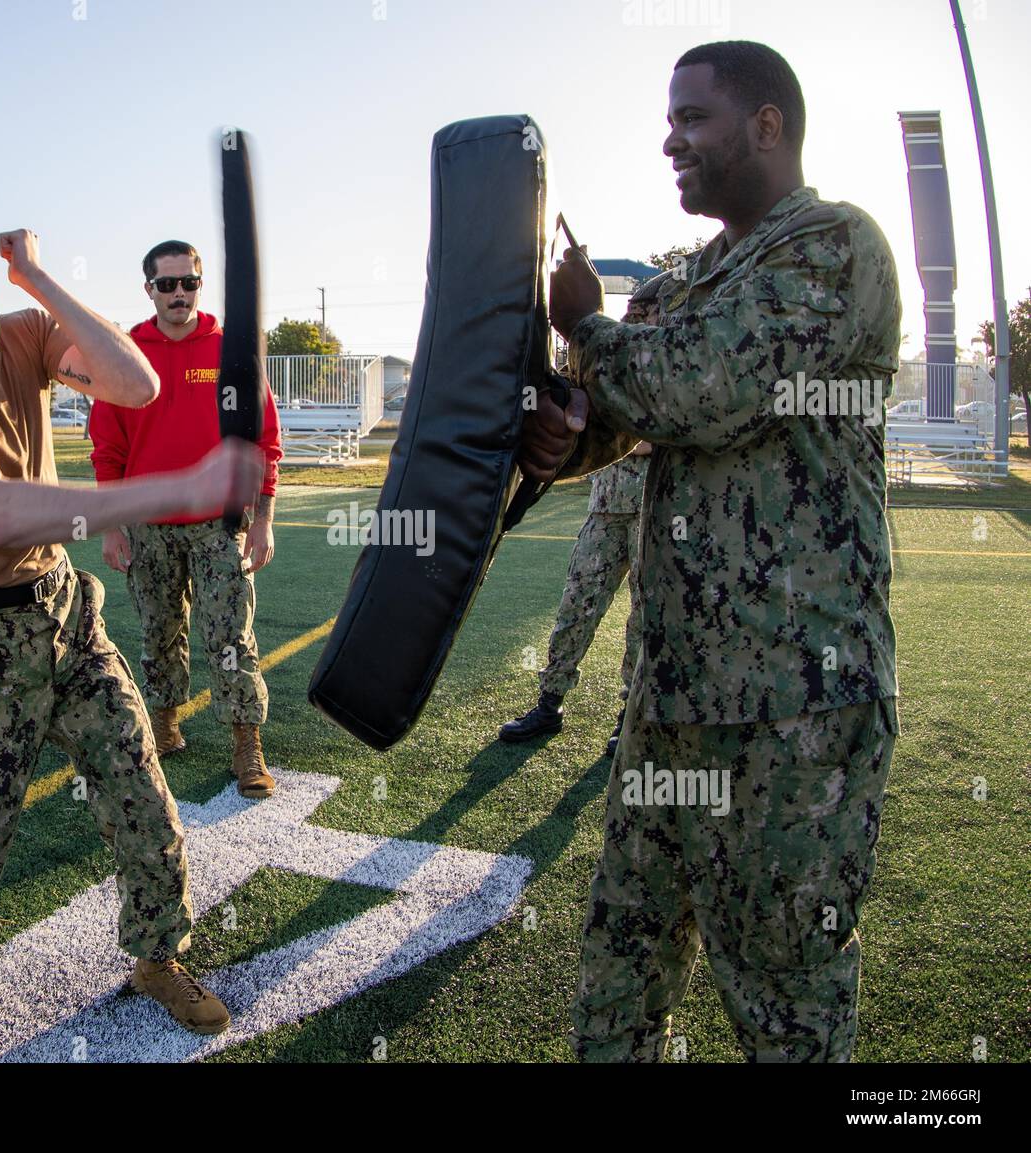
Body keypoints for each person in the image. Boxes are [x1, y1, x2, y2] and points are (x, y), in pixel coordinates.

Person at [522, 41, 901, 1061]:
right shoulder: (683, 284)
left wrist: (589, 329)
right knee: (621, 969)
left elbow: (705, 386)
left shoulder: (834, 246)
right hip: (671, 698)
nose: (668, 139)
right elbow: (610, 423)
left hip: (793, 709)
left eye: (691, 118)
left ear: (766, 125)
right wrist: (556, 414)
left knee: (782, 995)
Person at [0, 204, 264, 1048]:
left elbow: (138, 384)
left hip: (66, 618)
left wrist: (36, 279)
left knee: (144, 798)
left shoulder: (25, 329)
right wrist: (172, 491)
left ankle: (155, 952)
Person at [91, 240, 282, 800]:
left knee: (231, 635)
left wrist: (263, 519)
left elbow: (265, 441)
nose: (179, 294)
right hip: (147, 524)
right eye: (167, 284)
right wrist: (109, 524)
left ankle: (247, 741)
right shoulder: (126, 355)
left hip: (220, 524)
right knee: (159, 631)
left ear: (200, 285)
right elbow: (108, 449)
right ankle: (166, 723)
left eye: (189, 283)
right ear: (148, 289)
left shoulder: (232, 351)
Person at [500, 291, 661, 752]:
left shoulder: (670, 363)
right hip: (608, 503)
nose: (640, 318)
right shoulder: (615, 359)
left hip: (654, 508)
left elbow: (675, 419)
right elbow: (582, 404)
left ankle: (629, 716)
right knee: (578, 603)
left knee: (643, 618)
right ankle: (549, 702)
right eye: (637, 313)